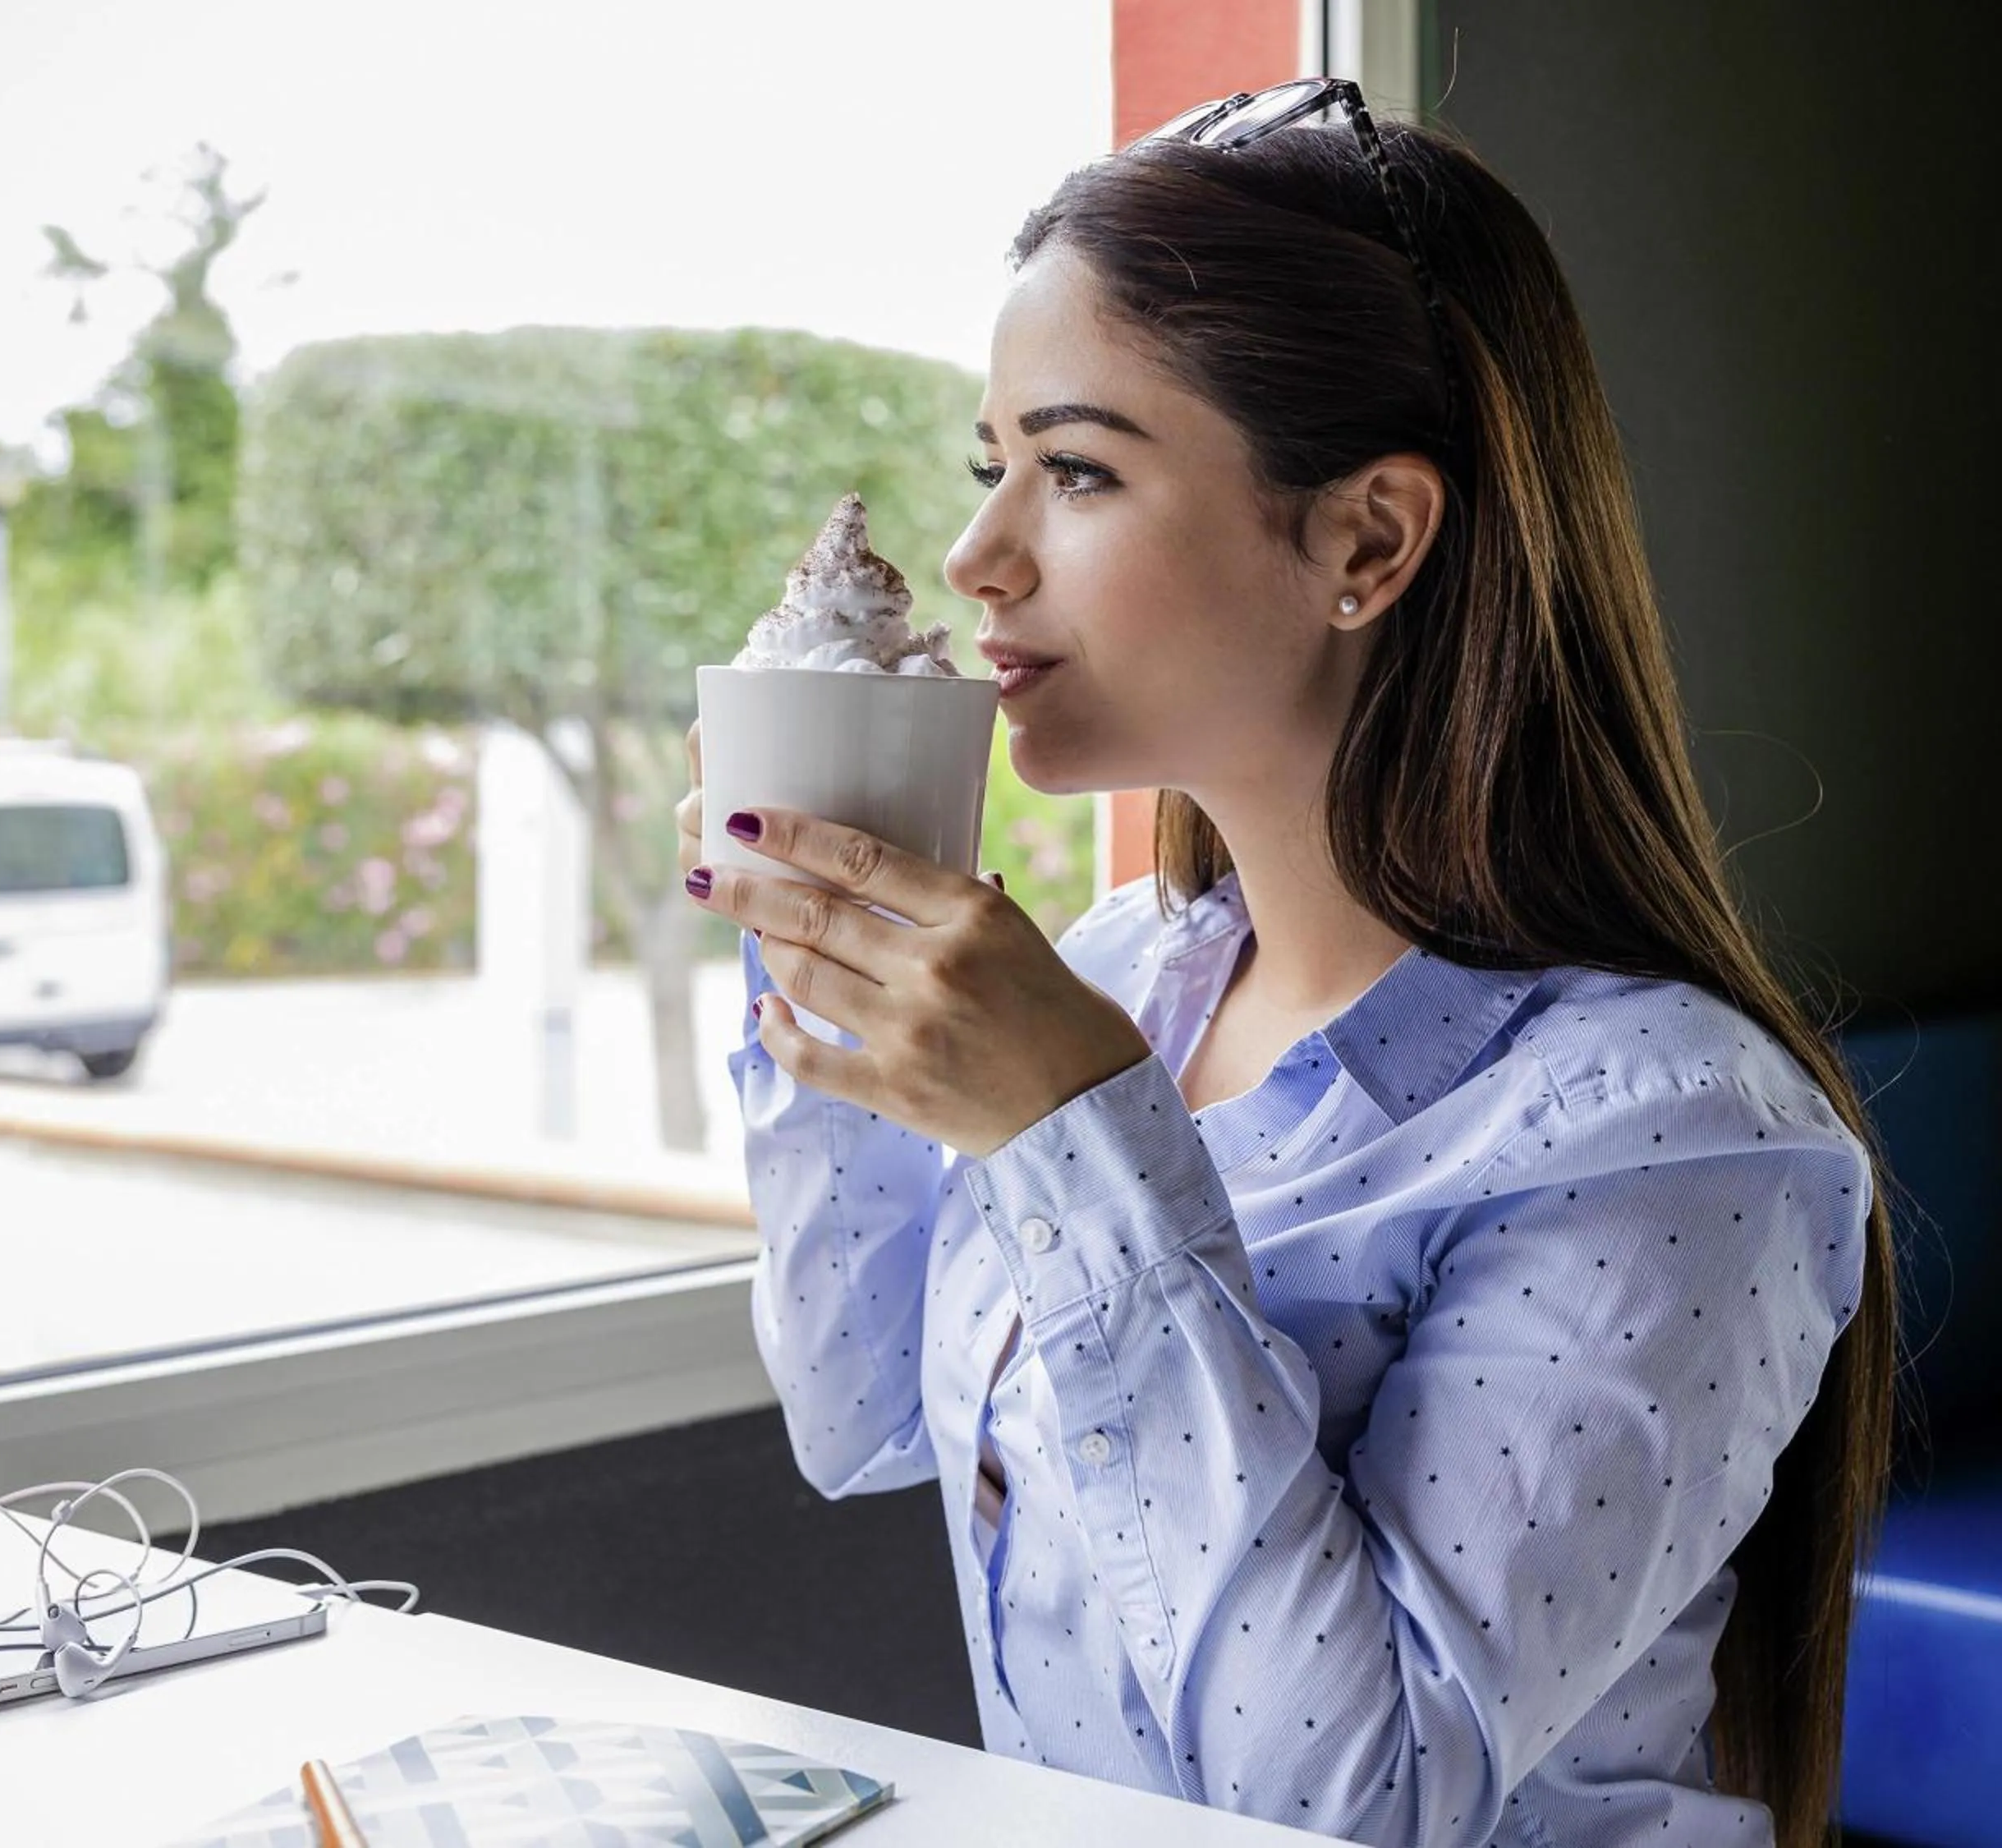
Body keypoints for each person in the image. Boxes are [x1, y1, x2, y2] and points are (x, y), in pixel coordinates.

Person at [675, 81, 1896, 1848]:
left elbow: (1362, 1804)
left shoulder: (1675, 1136)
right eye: (989, 464)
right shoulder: (1122, 984)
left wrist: (1071, 1134)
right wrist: (820, 942)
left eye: (1077, 470)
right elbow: (860, 1411)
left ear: (1369, 541)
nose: (976, 554)